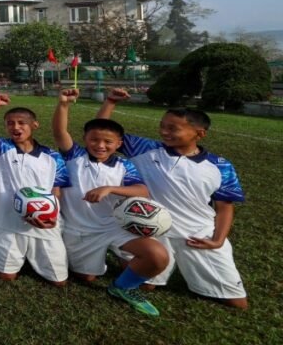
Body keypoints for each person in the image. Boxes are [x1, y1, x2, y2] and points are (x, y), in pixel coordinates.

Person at [97, 88, 248, 309]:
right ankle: (126, 256)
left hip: (197, 234)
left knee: (237, 302)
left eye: (173, 128)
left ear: (199, 134)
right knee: (146, 285)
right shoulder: (146, 149)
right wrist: (110, 102)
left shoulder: (221, 166)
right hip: (152, 231)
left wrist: (217, 239)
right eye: (162, 126)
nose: (164, 132)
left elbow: (224, 207)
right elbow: (103, 131)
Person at [53, 88, 169, 317]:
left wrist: (109, 189)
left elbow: (142, 191)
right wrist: (63, 104)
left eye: (108, 142)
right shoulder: (75, 156)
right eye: (94, 140)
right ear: (85, 139)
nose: (100, 145)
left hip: (114, 227)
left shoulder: (124, 165)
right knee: (87, 277)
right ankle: (110, 259)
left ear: (118, 144)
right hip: (80, 230)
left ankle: (122, 287)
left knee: (157, 256)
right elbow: (59, 131)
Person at [0, 94, 70, 285]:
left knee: (59, 281)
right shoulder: (3, 148)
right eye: (10, 123)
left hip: (43, 223)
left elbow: (56, 190)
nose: (15, 127)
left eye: (21, 123)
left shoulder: (52, 157)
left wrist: (50, 216)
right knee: (5, 277)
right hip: (6, 221)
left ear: (35, 125)